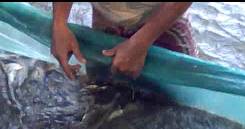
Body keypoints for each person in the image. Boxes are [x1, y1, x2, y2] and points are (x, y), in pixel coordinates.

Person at [51, 2, 197, 81]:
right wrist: (59, 24)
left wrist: (142, 42)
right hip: (106, 16)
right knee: (100, 88)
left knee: (181, 97)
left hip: (163, 23)